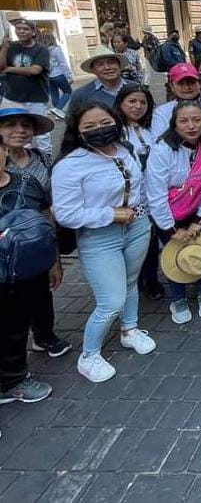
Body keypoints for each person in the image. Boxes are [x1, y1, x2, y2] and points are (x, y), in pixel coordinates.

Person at [52, 102, 156, 382]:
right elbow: (65, 214)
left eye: (105, 123)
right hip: (99, 238)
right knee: (110, 300)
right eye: (90, 126)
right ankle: (89, 355)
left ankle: (129, 330)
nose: (100, 129)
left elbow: (139, 188)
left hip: (137, 228)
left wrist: (144, 217)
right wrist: (109, 214)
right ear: (77, 131)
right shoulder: (70, 165)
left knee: (131, 282)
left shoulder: (124, 149)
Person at [0, 103, 69, 357]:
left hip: (36, 241)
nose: (19, 130)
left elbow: (48, 209)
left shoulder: (42, 158)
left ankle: (44, 335)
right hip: (4, 248)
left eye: (26, 125)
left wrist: (55, 259)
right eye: (10, 125)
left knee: (41, 293)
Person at [145, 101, 201, 324]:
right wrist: (170, 230)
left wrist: (200, 219)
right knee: (176, 255)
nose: (191, 126)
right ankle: (178, 298)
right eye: (184, 120)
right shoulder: (162, 150)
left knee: (199, 251)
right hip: (168, 216)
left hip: (196, 211)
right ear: (174, 124)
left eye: (197, 120)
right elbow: (156, 194)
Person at [0, 133, 56, 404]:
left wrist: (53, 260)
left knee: (17, 328)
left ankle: (13, 381)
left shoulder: (26, 181)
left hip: (28, 272)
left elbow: (45, 219)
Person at [113, 83, 166, 298]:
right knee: (141, 242)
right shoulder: (115, 132)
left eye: (143, 102)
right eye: (132, 101)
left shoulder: (153, 128)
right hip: (131, 198)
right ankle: (141, 281)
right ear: (121, 103)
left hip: (157, 191)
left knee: (158, 237)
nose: (137, 106)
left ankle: (154, 279)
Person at [0, 19, 50, 143]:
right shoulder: (11, 47)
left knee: (41, 134)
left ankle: (45, 159)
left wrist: (9, 68)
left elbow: (34, 70)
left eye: (26, 29)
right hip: (12, 97)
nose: (21, 31)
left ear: (33, 32)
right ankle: (18, 158)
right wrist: (4, 49)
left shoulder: (41, 50)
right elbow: (1, 67)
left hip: (35, 98)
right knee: (12, 130)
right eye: (19, 28)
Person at [151, 63, 201, 137]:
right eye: (181, 84)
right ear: (172, 86)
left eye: (191, 82)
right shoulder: (161, 112)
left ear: (199, 83)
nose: (187, 87)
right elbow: (158, 141)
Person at [68, 45, 129, 115]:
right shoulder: (81, 95)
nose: (107, 67)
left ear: (119, 65)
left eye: (111, 62)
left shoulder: (136, 88)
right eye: (100, 64)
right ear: (93, 70)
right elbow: (72, 122)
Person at [41, 32, 73, 118]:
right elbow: (62, 63)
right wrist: (69, 76)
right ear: (53, 39)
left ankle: (57, 113)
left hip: (48, 76)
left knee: (54, 93)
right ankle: (58, 109)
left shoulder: (42, 50)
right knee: (68, 92)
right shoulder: (56, 49)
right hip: (58, 74)